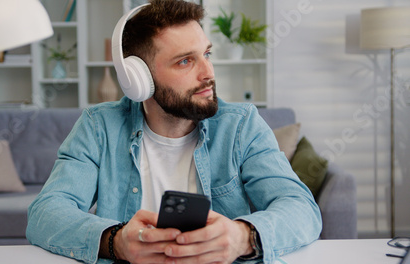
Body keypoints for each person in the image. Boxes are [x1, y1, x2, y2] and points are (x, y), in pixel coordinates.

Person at [26, 1, 322, 263]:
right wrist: (116, 242)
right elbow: (46, 213)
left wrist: (241, 237)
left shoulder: (241, 125)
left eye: (206, 53)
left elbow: (300, 208)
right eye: (185, 61)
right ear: (139, 79)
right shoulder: (98, 127)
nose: (208, 73)